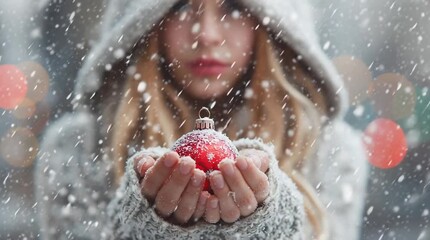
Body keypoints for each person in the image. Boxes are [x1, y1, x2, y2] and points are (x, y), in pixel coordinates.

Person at [35, 0, 369, 239]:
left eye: (234, 8)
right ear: (144, 22)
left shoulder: (329, 152)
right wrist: (142, 228)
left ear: (273, 25)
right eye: (180, 6)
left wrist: (269, 225)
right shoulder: (76, 151)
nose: (206, 33)